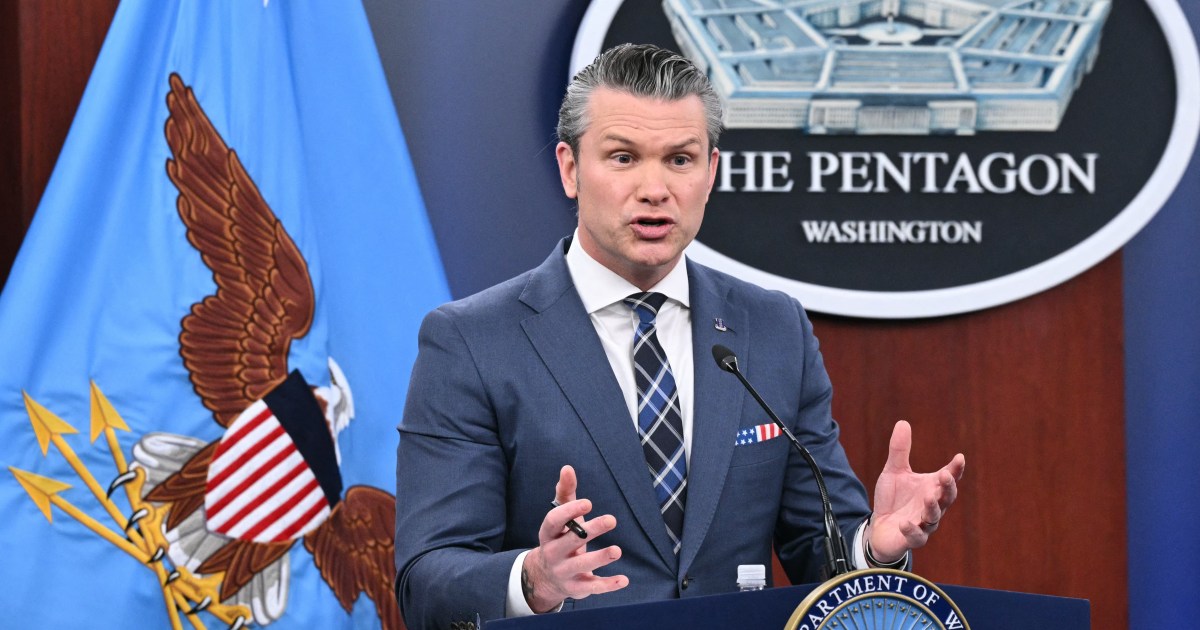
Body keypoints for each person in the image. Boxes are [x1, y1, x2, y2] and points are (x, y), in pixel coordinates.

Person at [394, 43, 965, 630]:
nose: (655, 188)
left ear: (710, 173)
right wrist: (533, 579)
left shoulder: (773, 329)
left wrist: (874, 547)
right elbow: (426, 582)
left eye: (680, 159)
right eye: (623, 157)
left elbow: (818, 550)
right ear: (570, 169)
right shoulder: (472, 342)